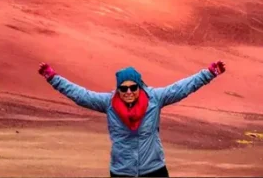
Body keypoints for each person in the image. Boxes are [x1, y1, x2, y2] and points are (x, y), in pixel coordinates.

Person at [38, 60, 226, 177]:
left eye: (133, 87)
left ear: (140, 86)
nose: (128, 92)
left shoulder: (155, 98)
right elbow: (81, 95)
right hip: (122, 171)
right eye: (124, 88)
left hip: (153, 169)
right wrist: (53, 78)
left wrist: (208, 74)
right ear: (118, 89)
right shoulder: (109, 103)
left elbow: (183, 87)